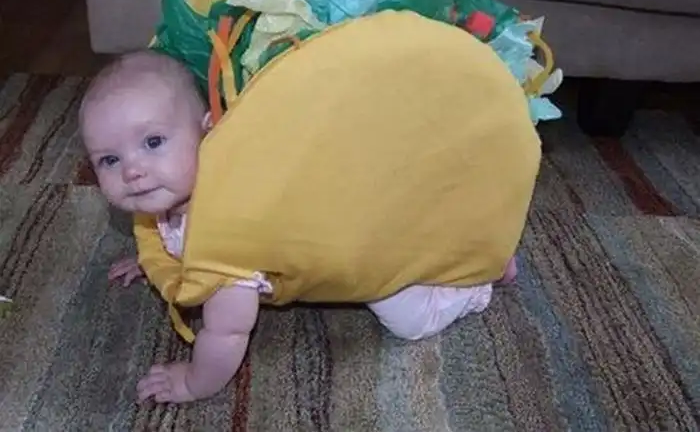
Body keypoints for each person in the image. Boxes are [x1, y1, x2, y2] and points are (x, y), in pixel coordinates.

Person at [79, 50, 519, 405]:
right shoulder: (172, 193)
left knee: (410, 317)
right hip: (353, 207)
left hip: (365, 251)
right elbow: (165, 231)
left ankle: (479, 274)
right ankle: (448, 234)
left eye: (153, 142)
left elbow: (227, 332)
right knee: (410, 229)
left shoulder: (225, 242)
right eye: (109, 159)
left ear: (208, 133)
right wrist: (155, 260)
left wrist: (194, 382)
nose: (132, 171)